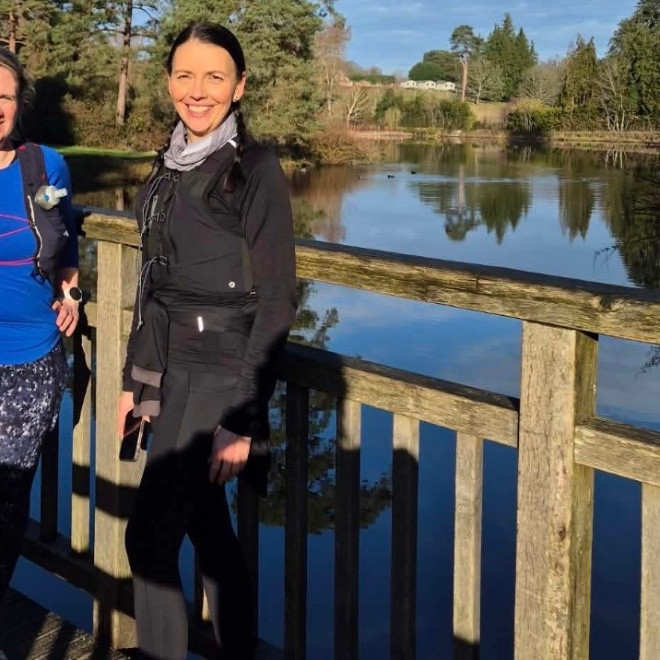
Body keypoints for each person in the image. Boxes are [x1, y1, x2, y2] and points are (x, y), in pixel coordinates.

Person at [118, 22, 297, 660]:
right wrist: (136, 380)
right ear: (169, 82)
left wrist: (242, 418)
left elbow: (277, 299)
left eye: (215, 77)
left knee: (149, 541)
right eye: (185, 75)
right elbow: (155, 282)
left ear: (239, 86)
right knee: (206, 526)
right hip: (173, 367)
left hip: (220, 371)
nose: (197, 91)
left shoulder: (255, 169)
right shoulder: (170, 162)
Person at [0, 47, 80, 640]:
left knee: (6, 504)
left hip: (30, 361)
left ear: (18, 104)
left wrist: (72, 293)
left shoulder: (45, 167)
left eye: (3, 96)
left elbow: (64, 240)